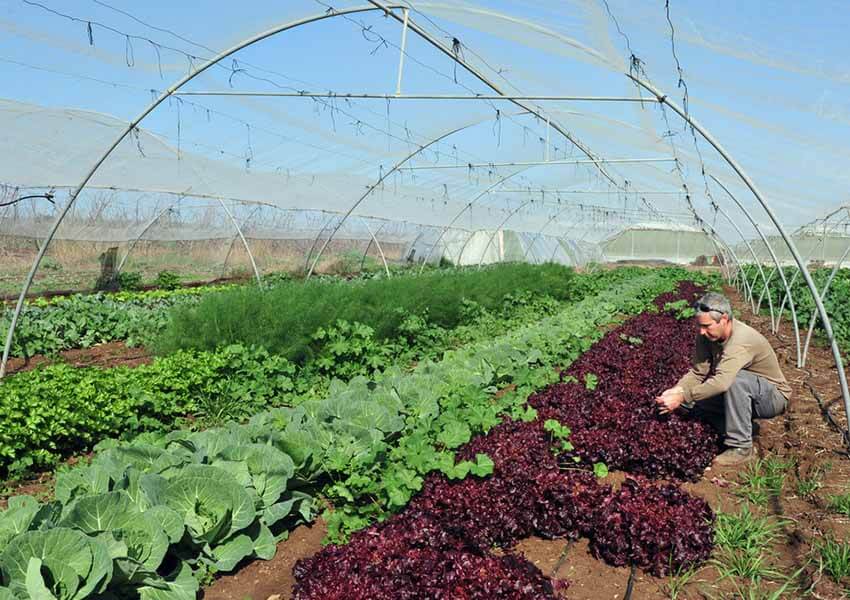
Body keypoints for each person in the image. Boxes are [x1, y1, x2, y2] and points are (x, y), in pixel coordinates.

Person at [654, 291, 791, 466]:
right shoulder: (706, 336)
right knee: (693, 404)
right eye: (699, 326)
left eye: (707, 326)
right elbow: (698, 372)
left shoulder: (742, 339)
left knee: (734, 381)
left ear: (724, 319)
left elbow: (722, 382)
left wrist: (683, 396)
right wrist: (677, 390)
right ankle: (737, 426)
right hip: (744, 394)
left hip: (772, 397)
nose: (702, 332)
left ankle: (741, 447)